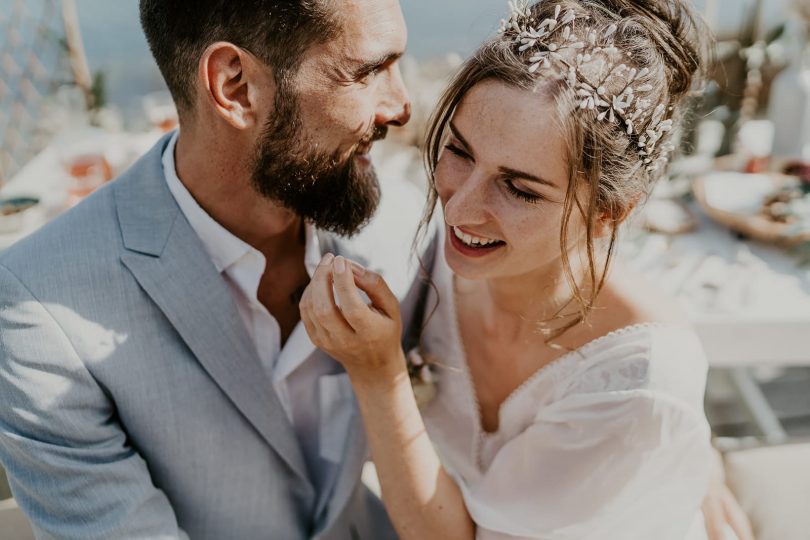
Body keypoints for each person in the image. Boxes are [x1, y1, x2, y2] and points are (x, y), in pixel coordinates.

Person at [300, 1, 747, 539]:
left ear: (609, 213)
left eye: (518, 189)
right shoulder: (441, 255)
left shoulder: (638, 386)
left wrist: (379, 374)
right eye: (460, 152)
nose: (460, 209)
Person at [0, 0, 429, 538]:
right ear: (236, 86)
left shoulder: (403, 223)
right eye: (368, 72)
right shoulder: (37, 310)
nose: (402, 105)